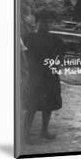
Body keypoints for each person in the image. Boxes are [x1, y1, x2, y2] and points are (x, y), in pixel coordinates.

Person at [22, 8, 65, 144]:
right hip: (35, 76)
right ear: (38, 23)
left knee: (49, 104)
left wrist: (55, 66)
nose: (46, 25)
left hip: (50, 76)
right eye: (43, 22)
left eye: (49, 22)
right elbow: (23, 57)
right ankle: (25, 134)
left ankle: (44, 131)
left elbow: (61, 57)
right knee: (32, 105)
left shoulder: (56, 40)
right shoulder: (28, 38)